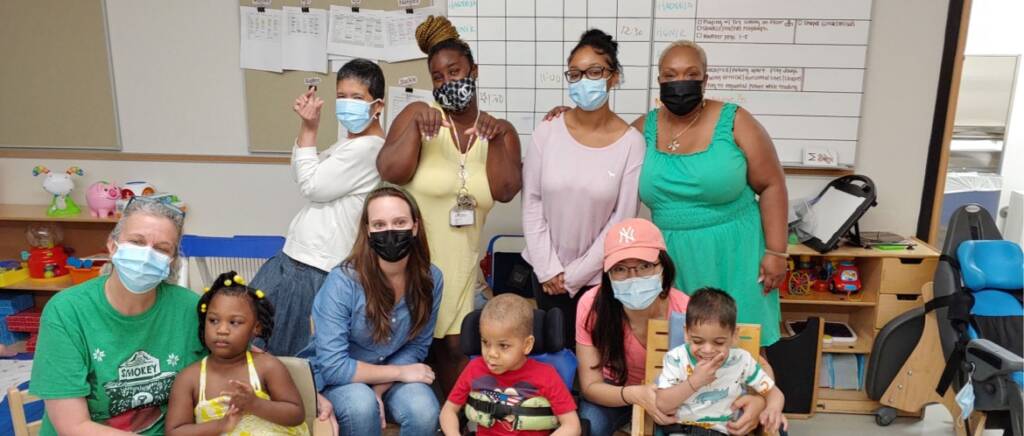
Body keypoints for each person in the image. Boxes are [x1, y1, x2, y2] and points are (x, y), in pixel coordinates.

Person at [377, 15, 522, 395]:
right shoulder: (417, 117)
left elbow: (506, 190)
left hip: (463, 269)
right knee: (415, 359)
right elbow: (390, 170)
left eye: (454, 72)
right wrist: (412, 127)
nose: (447, 83)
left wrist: (502, 136)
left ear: (474, 71)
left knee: (455, 356)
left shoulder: (499, 130)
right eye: (438, 77)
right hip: (413, 268)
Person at [634, 41, 789, 348]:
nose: (681, 82)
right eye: (671, 75)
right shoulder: (643, 128)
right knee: (679, 352)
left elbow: (772, 184)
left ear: (705, 80)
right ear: (660, 81)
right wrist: (567, 117)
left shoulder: (735, 121)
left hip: (735, 252)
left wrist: (776, 252)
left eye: (691, 74)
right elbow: (601, 144)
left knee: (742, 350)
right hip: (672, 257)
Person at [575, 218, 766, 436]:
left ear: (663, 267)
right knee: (591, 424)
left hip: (679, 395)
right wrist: (635, 394)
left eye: (645, 266)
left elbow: (755, 362)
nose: (633, 277)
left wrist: (760, 400)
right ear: (608, 275)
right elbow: (591, 386)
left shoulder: (687, 310)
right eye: (620, 269)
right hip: (617, 390)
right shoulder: (592, 306)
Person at [250, 58, 387, 356]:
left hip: (316, 267)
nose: (346, 104)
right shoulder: (348, 144)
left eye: (357, 98)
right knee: (255, 341)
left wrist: (310, 128)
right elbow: (301, 173)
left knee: (289, 356)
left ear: (377, 106)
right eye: (341, 96)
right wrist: (307, 129)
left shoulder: (369, 149)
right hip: (295, 258)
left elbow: (312, 186)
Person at [31, 197, 202, 434]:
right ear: (112, 246)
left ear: (171, 261)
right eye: (137, 242)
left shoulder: (189, 308)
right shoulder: (67, 311)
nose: (147, 255)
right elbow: (73, 426)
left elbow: (227, 364)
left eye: (162, 248)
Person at [522, 28, 644, 350]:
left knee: (594, 363)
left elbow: (621, 219)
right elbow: (532, 202)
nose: (584, 81)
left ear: (613, 77)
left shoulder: (631, 143)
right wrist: (549, 269)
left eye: (594, 72)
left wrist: (573, 276)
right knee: (552, 365)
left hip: (597, 280)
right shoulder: (548, 131)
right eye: (575, 74)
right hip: (544, 275)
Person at [303, 184, 443, 435]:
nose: (390, 232)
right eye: (379, 225)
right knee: (360, 405)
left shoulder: (431, 278)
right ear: (367, 231)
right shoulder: (343, 281)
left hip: (388, 378)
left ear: (415, 226)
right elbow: (334, 366)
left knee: (424, 409)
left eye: (400, 222)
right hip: (336, 381)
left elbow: (417, 345)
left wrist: (380, 386)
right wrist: (398, 372)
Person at [165, 271, 309, 435]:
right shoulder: (189, 378)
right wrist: (221, 425)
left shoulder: (267, 366)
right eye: (213, 320)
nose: (222, 330)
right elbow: (175, 432)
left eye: (234, 322)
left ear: (256, 327)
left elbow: (296, 414)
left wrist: (254, 404)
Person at [440, 294, 581, 436]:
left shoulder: (547, 376)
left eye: (503, 346)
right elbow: (448, 411)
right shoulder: (474, 369)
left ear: (527, 345)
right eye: (485, 342)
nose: (492, 353)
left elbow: (572, 425)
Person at [655, 288, 787, 435]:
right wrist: (694, 382)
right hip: (682, 430)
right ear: (686, 333)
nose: (707, 350)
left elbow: (774, 393)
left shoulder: (741, 361)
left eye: (718, 342)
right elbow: (662, 404)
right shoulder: (676, 358)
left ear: (734, 335)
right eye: (698, 341)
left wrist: (772, 409)